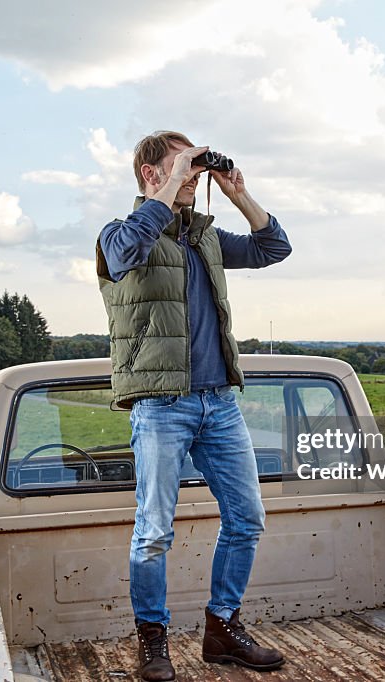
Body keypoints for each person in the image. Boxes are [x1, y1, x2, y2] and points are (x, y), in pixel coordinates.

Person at [95, 131, 292, 681]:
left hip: (219, 404)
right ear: (149, 175)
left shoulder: (202, 235)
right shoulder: (119, 234)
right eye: (182, 167)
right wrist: (175, 178)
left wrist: (238, 192)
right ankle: (152, 641)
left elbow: (272, 248)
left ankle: (222, 629)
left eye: (196, 169)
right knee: (154, 530)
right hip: (160, 406)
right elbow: (124, 253)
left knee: (247, 519)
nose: (193, 177)